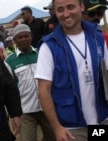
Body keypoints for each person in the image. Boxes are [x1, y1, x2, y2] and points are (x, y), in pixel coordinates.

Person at [34, 0, 108, 141]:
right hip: (71, 128)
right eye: (60, 9)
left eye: (70, 7)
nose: (66, 14)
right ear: (55, 12)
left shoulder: (97, 37)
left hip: (101, 120)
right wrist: (56, 128)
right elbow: (43, 91)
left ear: (81, 7)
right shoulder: (49, 46)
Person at [5, 24, 55, 141]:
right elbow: (9, 89)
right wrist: (13, 113)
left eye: (26, 36)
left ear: (31, 36)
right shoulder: (9, 61)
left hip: (47, 108)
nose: (23, 39)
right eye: (20, 37)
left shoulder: (42, 54)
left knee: (53, 137)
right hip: (25, 111)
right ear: (15, 40)